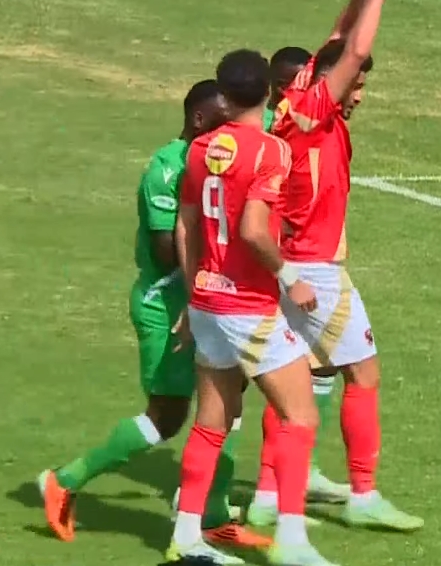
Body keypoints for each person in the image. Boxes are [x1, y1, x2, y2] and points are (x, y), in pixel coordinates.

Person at [38, 79, 270, 550]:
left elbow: (269, 113)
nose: (229, 133)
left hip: (210, 302)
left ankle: (213, 512)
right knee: (167, 417)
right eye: (220, 123)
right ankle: (65, 479)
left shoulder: (219, 157)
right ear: (198, 120)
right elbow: (167, 250)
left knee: (230, 399)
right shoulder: (166, 168)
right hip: (166, 306)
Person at [166, 48, 337, 566]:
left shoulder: (200, 149)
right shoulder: (270, 151)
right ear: (266, 91)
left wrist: (194, 293)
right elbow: (254, 230)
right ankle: (291, 540)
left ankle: (186, 535)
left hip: (208, 301)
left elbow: (187, 225)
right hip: (249, 306)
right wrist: (290, 278)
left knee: (211, 421)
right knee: (301, 415)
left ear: (222, 95)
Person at [266, 0, 424, 532]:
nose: (358, 94)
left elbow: (340, 39)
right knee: (364, 372)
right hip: (315, 269)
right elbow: (352, 51)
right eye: (355, 86)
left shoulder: (296, 99)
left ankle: (268, 493)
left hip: (294, 263)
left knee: (296, 376)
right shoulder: (312, 114)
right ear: (329, 83)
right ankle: (363, 493)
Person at [263, 47, 312, 132]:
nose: (289, 93)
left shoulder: (316, 121)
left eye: (298, 86)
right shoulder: (257, 121)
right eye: (281, 85)